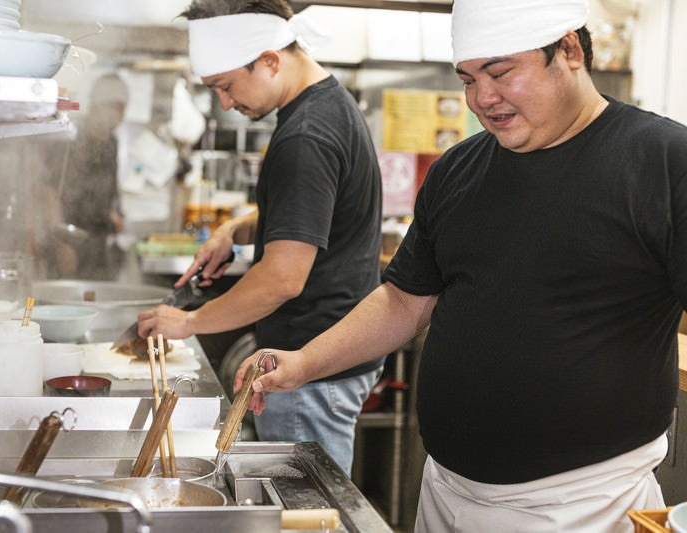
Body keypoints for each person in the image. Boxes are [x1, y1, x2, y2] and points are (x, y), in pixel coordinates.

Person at [233, 0, 687, 531]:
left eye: (500, 73)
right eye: (468, 79)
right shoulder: (459, 168)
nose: (481, 99)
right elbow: (404, 299)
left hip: (583, 504)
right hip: (447, 492)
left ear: (568, 49)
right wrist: (304, 363)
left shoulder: (663, 162)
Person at [136, 0, 385, 475]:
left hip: (305, 367)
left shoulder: (305, 137)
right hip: (325, 356)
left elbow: (281, 280)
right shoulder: (327, 106)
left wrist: (189, 322)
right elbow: (307, 210)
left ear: (270, 60)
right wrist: (235, 229)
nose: (226, 104)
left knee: (304, 512)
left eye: (226, 87)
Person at [56, 73, 127, 280]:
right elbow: (47, 189)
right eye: (114, 108)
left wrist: (113, 212)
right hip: (69, 241)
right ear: (97, 105)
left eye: (122, 109)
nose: (118, 116)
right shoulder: (72, 136)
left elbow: (105, 186)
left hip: (99, 243)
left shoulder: (112, 141)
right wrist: (62, 245)